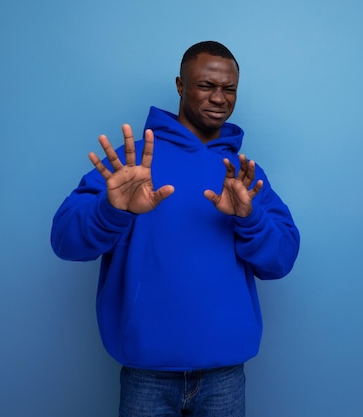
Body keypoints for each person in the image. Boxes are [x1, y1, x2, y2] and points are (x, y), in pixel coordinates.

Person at [51, 40, 300, 417]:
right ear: (181, 85)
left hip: (225, 374)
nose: (219, 98)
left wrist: (249, 219)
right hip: (146, 374)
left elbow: (280, 261)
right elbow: (65, 241)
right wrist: (110, 210)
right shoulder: (133, 163)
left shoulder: (243, 174)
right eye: (206, 85)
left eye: (229, 89)